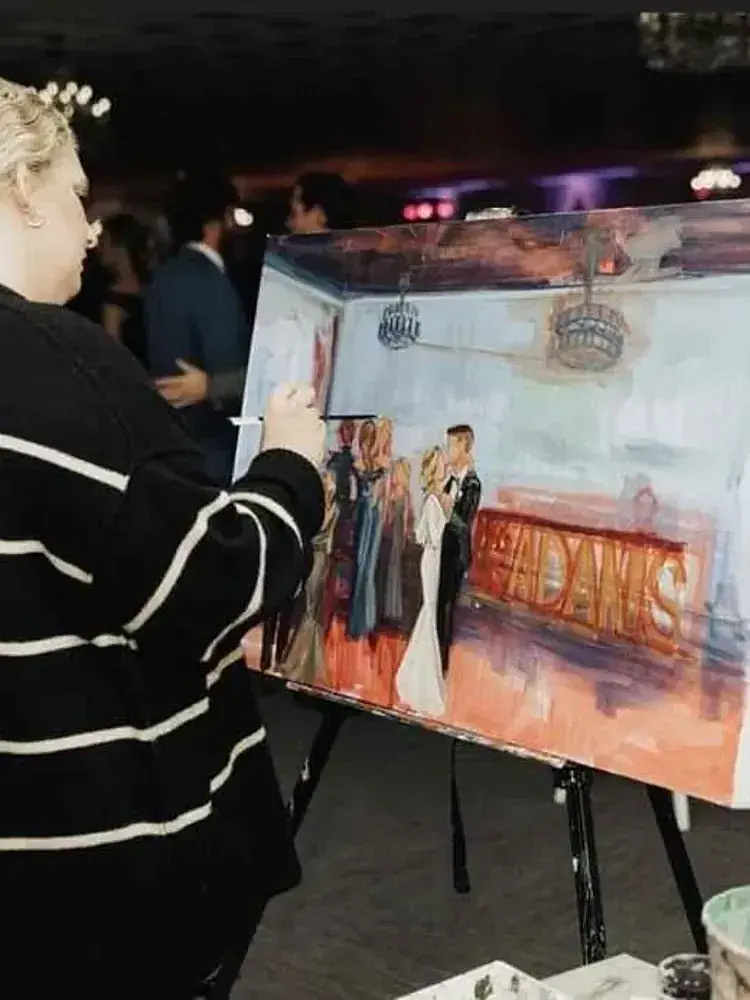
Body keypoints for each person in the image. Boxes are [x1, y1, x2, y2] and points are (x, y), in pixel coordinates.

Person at [0, 77, 325, 999]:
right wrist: (292, 465)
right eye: (74, 197)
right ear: (21, 191)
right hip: (95, 870)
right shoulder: (57, 364)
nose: (94, 230)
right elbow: (211, 581)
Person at [155, 171, 356, 430]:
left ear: (318, 215)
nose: (288, 224)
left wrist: (211, 386)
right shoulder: (336, 276)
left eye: (294, 213)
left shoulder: (315, 283)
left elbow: (290, 364)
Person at [146, 174, 249, 485]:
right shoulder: (210, 283)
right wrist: (213, 387)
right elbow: (229, 368)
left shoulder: (163, 275)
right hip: (215, 452)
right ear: (217, 220)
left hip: (174, 450)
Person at [395, 447, 451, 717]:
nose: (444, 467)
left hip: (434, 558)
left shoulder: (436, 499)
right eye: (440, 465)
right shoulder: (432, 501)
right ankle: (419, 680)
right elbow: (423, 535)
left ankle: (418, 675)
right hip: (431, 558)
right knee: (428, 609)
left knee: (428, 610)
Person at [437, 424, 482, 674]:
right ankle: (435, 661)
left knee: (446, 608)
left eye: (452, 445)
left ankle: (441, 665)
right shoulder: (451, 479)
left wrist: (445, 508)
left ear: (465, 447)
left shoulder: (473, 484)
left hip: (455, 554)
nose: (448, 450)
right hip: (442, 551)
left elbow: (463, 521)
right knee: (437, 604)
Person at [98, 211, 151, 368]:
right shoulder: (155, 287)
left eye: (104, 241)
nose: (98, 247)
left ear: (119, 245)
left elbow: (112, 356)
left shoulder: (113, 301)